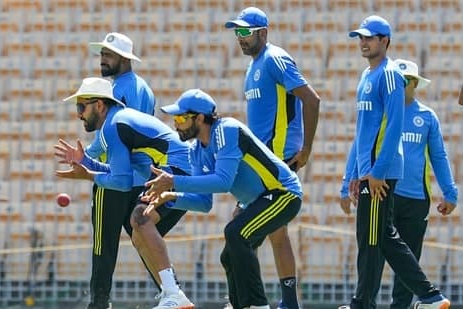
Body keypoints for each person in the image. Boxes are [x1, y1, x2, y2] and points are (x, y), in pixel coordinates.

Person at [142, 89, 303, 309]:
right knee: (228, 256)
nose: (176, 123)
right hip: (260, 200)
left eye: (181, 118)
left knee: (235, 234)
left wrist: (174, 181)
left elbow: (223, 181)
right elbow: (204, 202)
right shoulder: (196, 150)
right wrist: (172, 197)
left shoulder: (226, 130)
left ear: (199, 118)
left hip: (284, 193)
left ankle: (257, 305)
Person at [338, 15, 451, 309]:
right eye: (360, 37)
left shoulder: (389, 75)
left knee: (376, 237)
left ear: (385, 41)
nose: (363, 42)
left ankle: (422, 296)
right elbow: (363, 132)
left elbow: (393, 128)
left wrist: (375, 172)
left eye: (369, 37)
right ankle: (424, 296)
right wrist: (355, 173)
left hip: (380, 172)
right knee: (374, 238)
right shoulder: (367, 76)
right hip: (369, 171)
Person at [54, 77, 194, 309]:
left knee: (140, 220)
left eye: (82, 106)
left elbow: (121, 183)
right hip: (175, 170)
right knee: (139, 230)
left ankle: (174, 295)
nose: (79, 114)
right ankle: (174, 296)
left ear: (100, 106)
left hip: (180, 171)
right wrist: (85, 161)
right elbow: (122, 172)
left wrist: (87, 175)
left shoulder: (112, 127)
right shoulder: (118, 122)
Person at [224, 7, 321, 309]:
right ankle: (281, 301)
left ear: (263, 32)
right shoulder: (253, 67)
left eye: (245, 32)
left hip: (277, 160)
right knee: (272, 231)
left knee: (243, 228)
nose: (239, 38)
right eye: (236, 32)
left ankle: (251, 301)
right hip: (260, 162)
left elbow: (311, 99)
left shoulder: (275, 59)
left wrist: (305, 150)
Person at [77, 32, 157, 309]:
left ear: (124, 59)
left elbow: (115, 134)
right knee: (144, 242)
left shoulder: (114, 91)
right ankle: (171, 292)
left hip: (115, 175)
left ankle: (99, 303)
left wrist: (86, 158)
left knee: (103, 246)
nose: (102, 60)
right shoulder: (145, 88)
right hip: (140, 178)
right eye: (101, 54)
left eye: (107, 55)